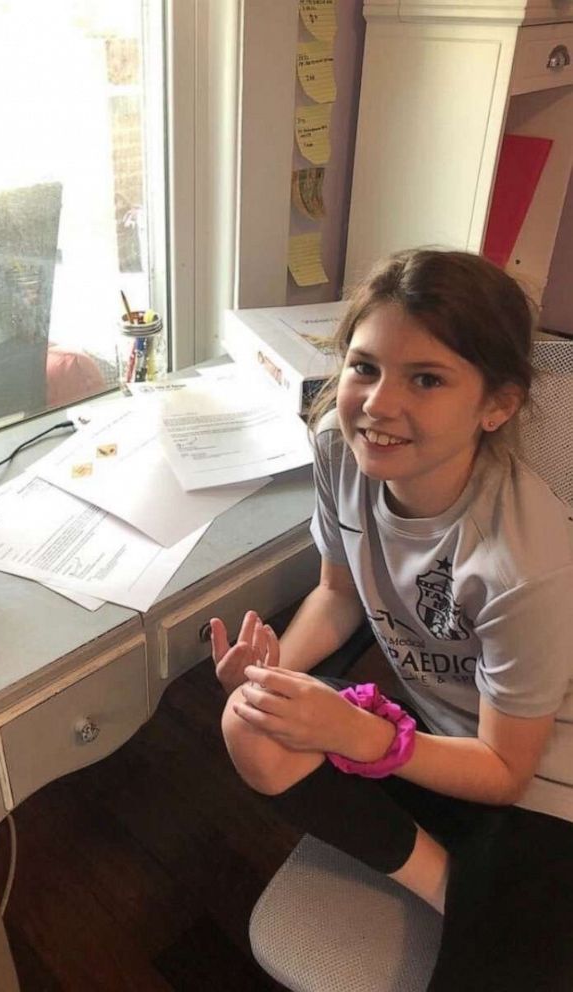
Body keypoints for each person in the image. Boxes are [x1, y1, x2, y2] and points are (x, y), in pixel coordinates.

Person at [210, 249, 573, 991]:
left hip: (542, 775)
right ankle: (446, 882)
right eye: (365, 366)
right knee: (250, 723)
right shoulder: (341, 452)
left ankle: (483, 894)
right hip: (436, 728)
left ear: (496, 405)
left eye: (427, 379)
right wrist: (277, 672)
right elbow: (339, 596)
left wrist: (362, 737)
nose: (377, 403)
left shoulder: (525, 561)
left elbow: (507, 771)